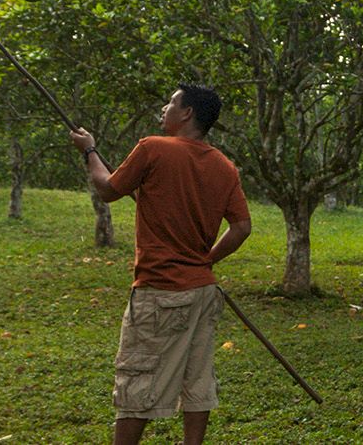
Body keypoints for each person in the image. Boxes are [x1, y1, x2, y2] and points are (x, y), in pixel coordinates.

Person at [70, 83, 252, 445]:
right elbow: (242, 227)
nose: (164, 108)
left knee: (138, 378)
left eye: (171, 102)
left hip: (160, 291)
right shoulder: (224, 166)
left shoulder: (152, 148)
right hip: (202, 291)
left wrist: (89, 150)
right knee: (197, 378)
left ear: (186, 113)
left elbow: (107, 189)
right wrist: (206, 260)